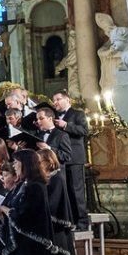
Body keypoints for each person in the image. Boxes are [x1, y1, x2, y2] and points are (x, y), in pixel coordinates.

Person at [38, 148, 76, 255]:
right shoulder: (47, 179)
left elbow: (52, 207)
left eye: (39, 162)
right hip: (50, 233)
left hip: (57, 235)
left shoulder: (56, 179)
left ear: (48, 162)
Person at [51, 89, 90, 231]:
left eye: (58, 99)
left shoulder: (77, 114)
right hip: (60, 158)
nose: (55, 102)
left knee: (76, 190)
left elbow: (84, 131)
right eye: (54, 100)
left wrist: (66, 125)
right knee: (66, 191)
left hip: (75, 158)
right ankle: (71, 221)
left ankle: (82, 222)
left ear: (68, 100)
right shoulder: (54, 117)